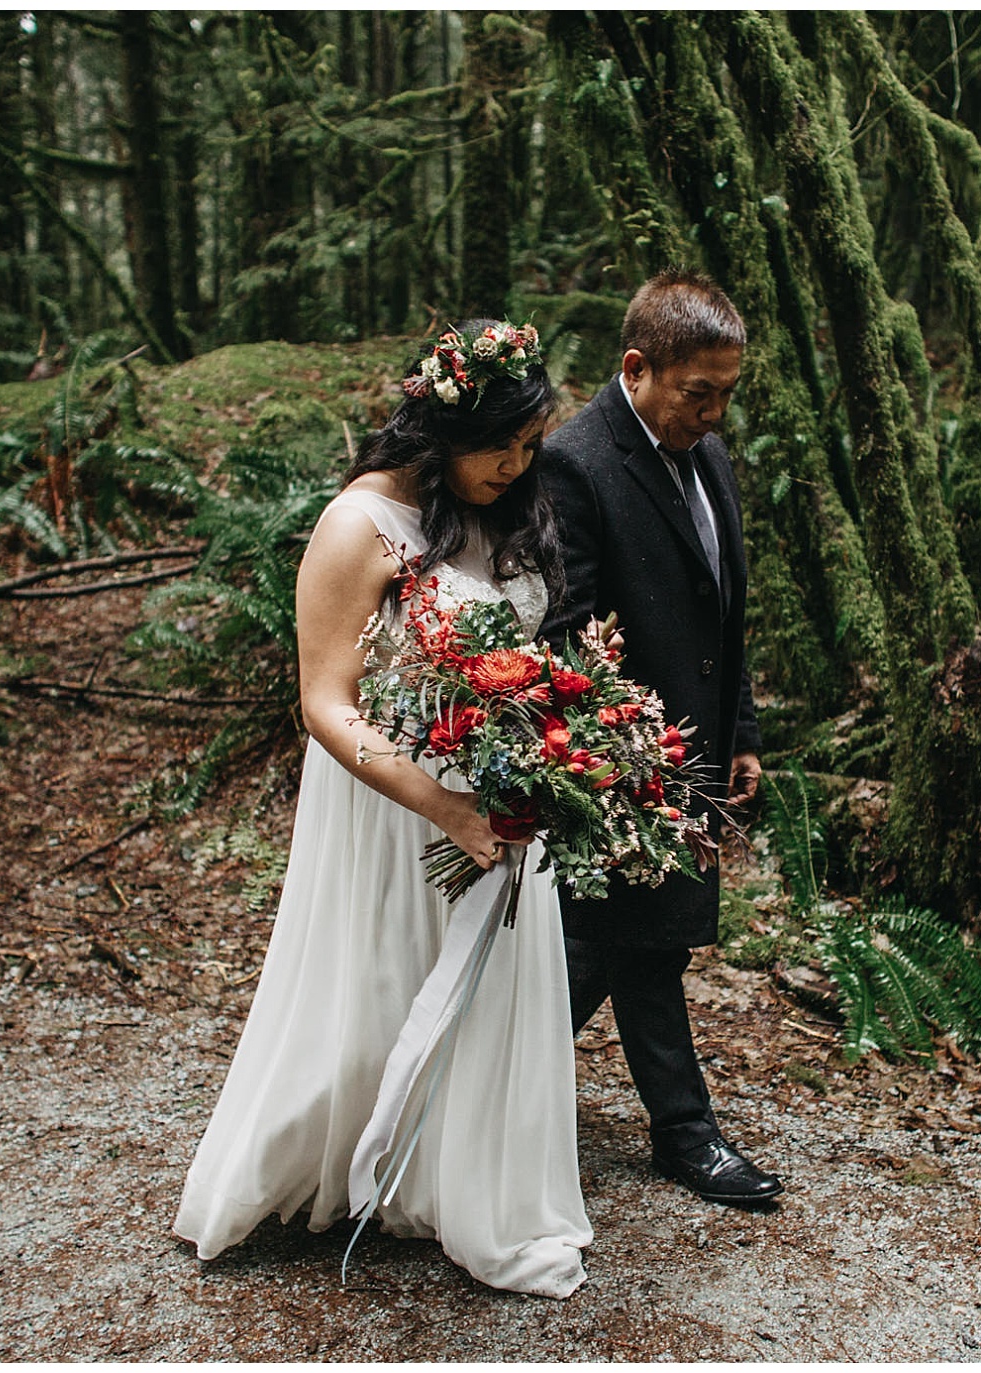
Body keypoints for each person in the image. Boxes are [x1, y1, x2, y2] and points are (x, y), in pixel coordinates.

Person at [173, 321, 591, 1299]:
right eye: (505, 442)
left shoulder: (493, 509)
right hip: (392, 795)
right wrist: (441, 805)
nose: (517, 465)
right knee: (371, 988)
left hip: (498, 783)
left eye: (532, 447)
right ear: (448, 424)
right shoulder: (357, 523)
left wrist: (559, 749)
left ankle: (465, 1184)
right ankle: (347, 1161)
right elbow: (323, 701)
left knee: (492, 997)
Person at [538, 270, 783, 1205]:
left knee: (625, 947)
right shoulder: (576, 461)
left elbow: (723, 615)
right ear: (637, 368)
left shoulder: (707, 454)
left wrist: (741, 733)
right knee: (626, 945)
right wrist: (633, 761)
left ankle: (464, 1095)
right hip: (619, 766)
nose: (716, 414)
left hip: (693, 756)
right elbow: (568, 638)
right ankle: (683, 1133)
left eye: (727, 392)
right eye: (699, 393)